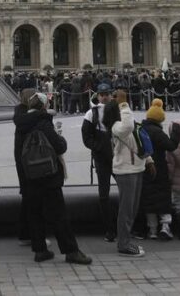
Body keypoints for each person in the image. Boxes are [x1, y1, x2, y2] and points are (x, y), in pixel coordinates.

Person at [15, 92, 92, 265]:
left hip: (29, 176)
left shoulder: (20, 124)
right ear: (43, 106)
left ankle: (40, 250)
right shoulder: (43, 122)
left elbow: (18, 152)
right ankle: (71, 251)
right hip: (48, 175)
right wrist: (61, 137)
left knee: (34, 214)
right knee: (59, 215)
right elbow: (59, 146)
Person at [110, 89, 149, 256]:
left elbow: (137, 140)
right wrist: (124, 104)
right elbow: (127, 127)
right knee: (126, 209)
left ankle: (126, 240)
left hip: (136, 167)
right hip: (126, 170)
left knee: (132, 208)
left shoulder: (125, 119)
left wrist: (148, 160)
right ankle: (123, 244)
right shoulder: (116, 125)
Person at [140, 99, 180, 240]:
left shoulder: (141, 129)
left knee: (149, 199)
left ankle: (152, 230)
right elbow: (171, 146)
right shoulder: (158, 132)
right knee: (163, 197)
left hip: (144, 169)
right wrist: (176, 133)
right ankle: (165, 226)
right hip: (160, 168)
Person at [81, 82, 116, 242]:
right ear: (98, 96)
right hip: (102, 157)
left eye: (107, 94)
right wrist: (98, 147)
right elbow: (86, 137)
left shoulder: (118, 110)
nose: (105, 96)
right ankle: (109, 228)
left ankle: (124, 225)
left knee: (126, 191)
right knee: (103, 194)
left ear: (111, 95)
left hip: (118, 157)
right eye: (102, 94)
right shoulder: (90, 114)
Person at [13, 88, 38, 247]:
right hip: (26, 161)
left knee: (27, 197)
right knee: (30, 197)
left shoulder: (22, 113)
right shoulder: (24, 115)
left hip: (24, 160)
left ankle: (25, 233)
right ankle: (28, 234)